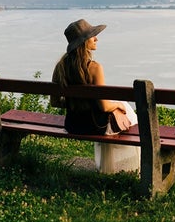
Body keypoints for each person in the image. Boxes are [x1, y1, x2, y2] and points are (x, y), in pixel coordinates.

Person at [51, 18, 140, 174]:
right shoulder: (95, 68)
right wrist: (119, 104)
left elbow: (55, 102)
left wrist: (77, 103)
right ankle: (125, 168)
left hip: (73, 125)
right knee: (125, 110)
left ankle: (108, 167)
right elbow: (104, 107)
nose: (96, 39)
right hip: (95, 126)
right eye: (93, 36)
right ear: (84, 42)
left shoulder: (60, 67)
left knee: (118, 110)